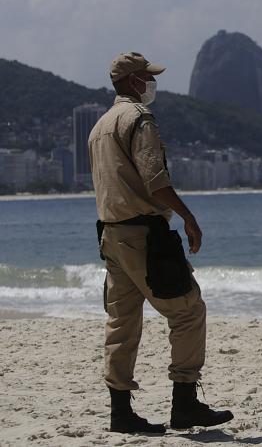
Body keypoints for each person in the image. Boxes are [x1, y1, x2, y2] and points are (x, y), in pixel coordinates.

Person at [89, 52, 233, 434]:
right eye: (148, 77)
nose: (152, 83)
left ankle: (121, 412)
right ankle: (184, 402)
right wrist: (188, 217)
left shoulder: (99, 127)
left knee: (122, 323)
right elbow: (155, 179)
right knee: (188, 311)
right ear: (134, 80)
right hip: (144, 235)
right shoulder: (138, 118)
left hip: (110, 234)